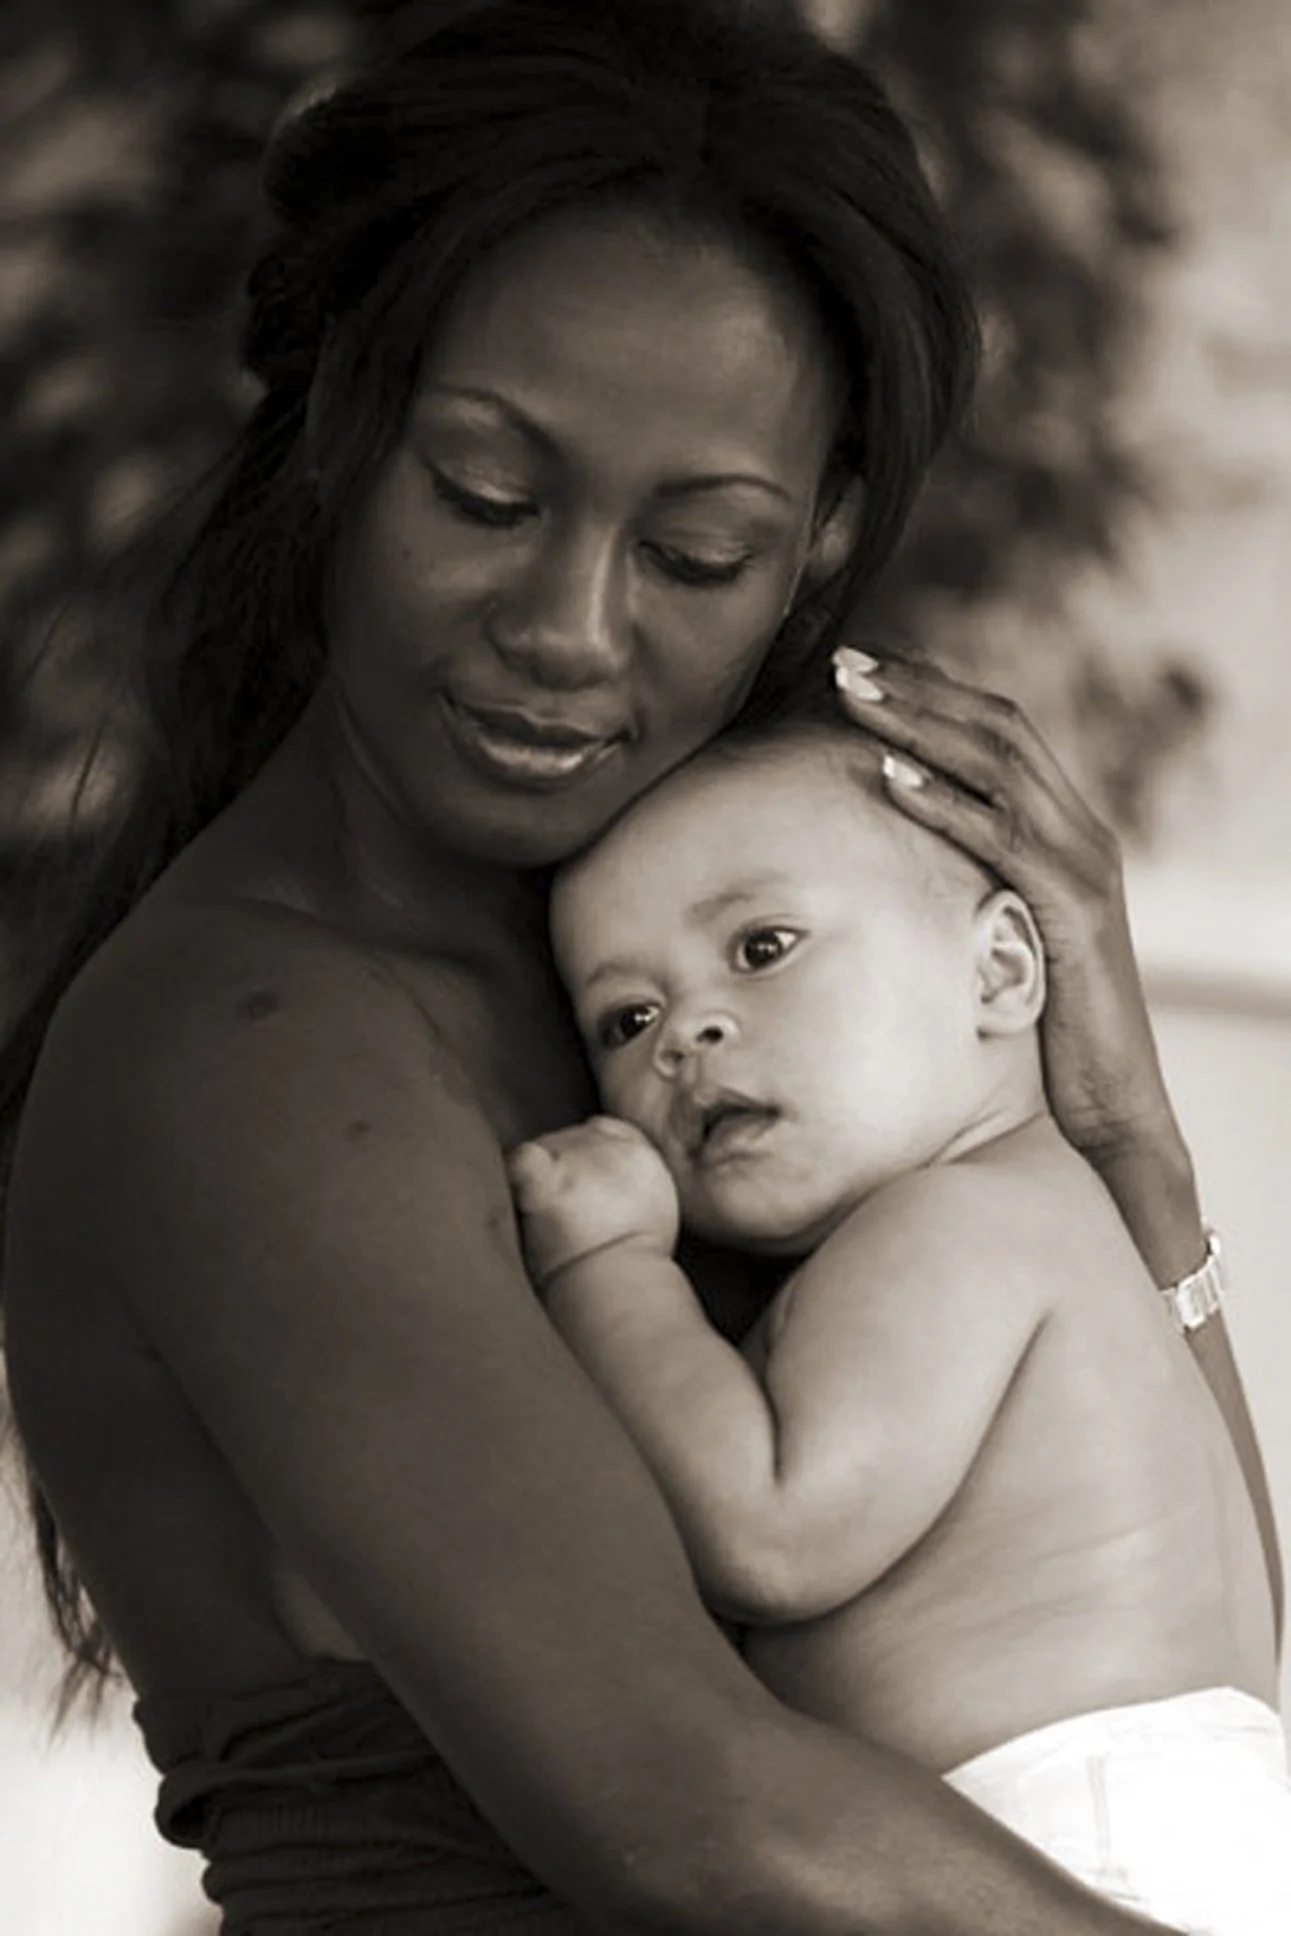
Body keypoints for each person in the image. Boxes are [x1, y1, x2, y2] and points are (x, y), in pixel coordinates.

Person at [0, 2, 1277, 1930]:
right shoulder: (257, 1044)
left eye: (696, 553)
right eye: (488, 497)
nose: (567, 632)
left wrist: (1119, 1139)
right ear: (343, 431)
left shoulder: (700, 990)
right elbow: (696, 1814)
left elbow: (1187, 1672)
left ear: (816, 550)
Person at [508, 706, 1291, 1933]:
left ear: (999, 973)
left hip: (1072, 1856)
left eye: (761, 947)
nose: (690, 1034)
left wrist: (609, 1263)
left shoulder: (949, 1228)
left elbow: (769, 1528)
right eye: (627, 1018)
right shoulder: (1059, 1226)